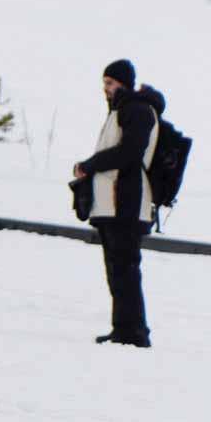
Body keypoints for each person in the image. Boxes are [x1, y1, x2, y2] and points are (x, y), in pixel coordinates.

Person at [71, 59, 158, 347]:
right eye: (104, 84)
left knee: (125, 269)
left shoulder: (137, 111)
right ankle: (123, 328)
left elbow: (129, 154)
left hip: (126, 204)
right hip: (112, 204)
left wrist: (91, 164)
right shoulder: (120, 111)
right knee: (117, 270)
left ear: (123, 83)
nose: (105, 89)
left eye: (110, 83)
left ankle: (134, 332)